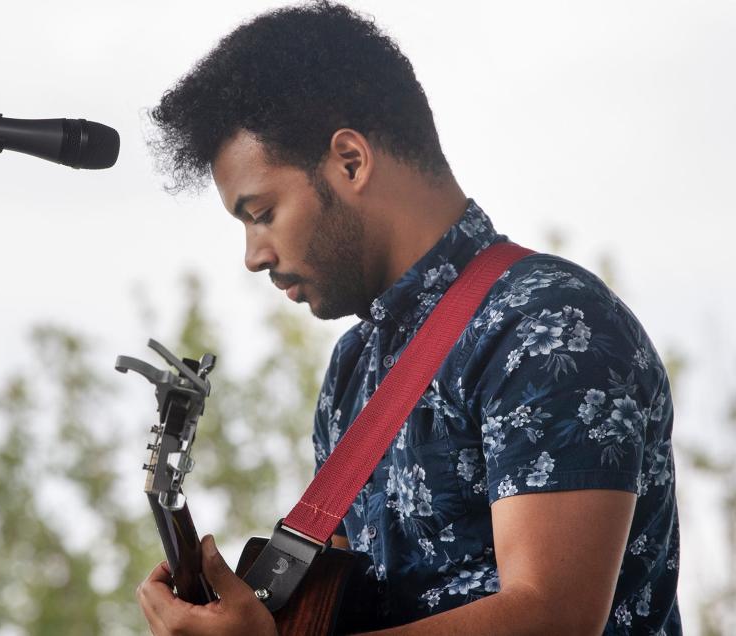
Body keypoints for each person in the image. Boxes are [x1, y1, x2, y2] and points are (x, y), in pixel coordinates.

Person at [137, 2, 681, 634]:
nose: (254, 257)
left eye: (261, 213)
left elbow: (552, 617)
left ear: (350, 161)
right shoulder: (353, 367)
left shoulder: (547, 325)